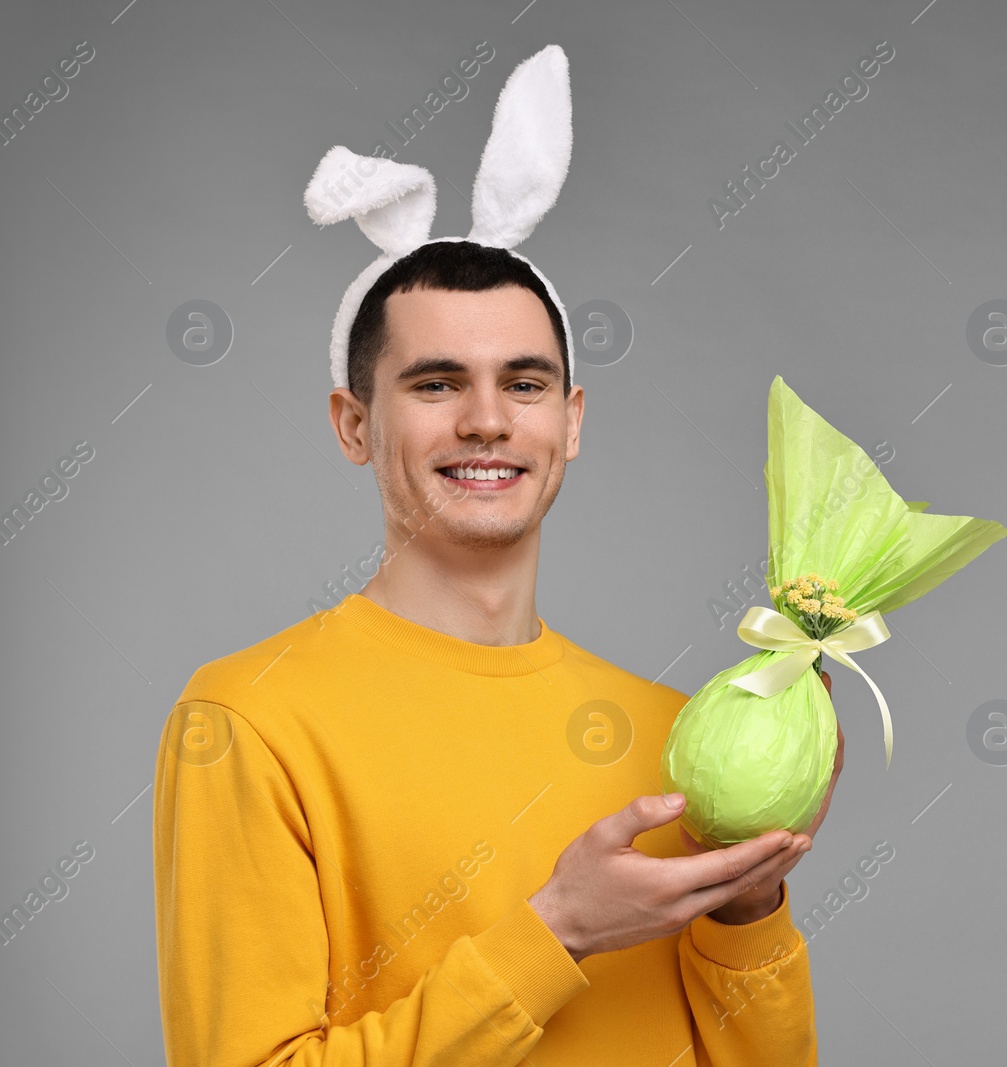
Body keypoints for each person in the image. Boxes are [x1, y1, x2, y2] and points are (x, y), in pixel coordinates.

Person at [151, 239, 843, 1066]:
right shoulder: (247, 719)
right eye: (436, 383)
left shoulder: (675, 735)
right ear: (354, 424)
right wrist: (559, 931)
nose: (487, 419)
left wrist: (748, 898)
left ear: (570, 420)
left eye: (524, 384)